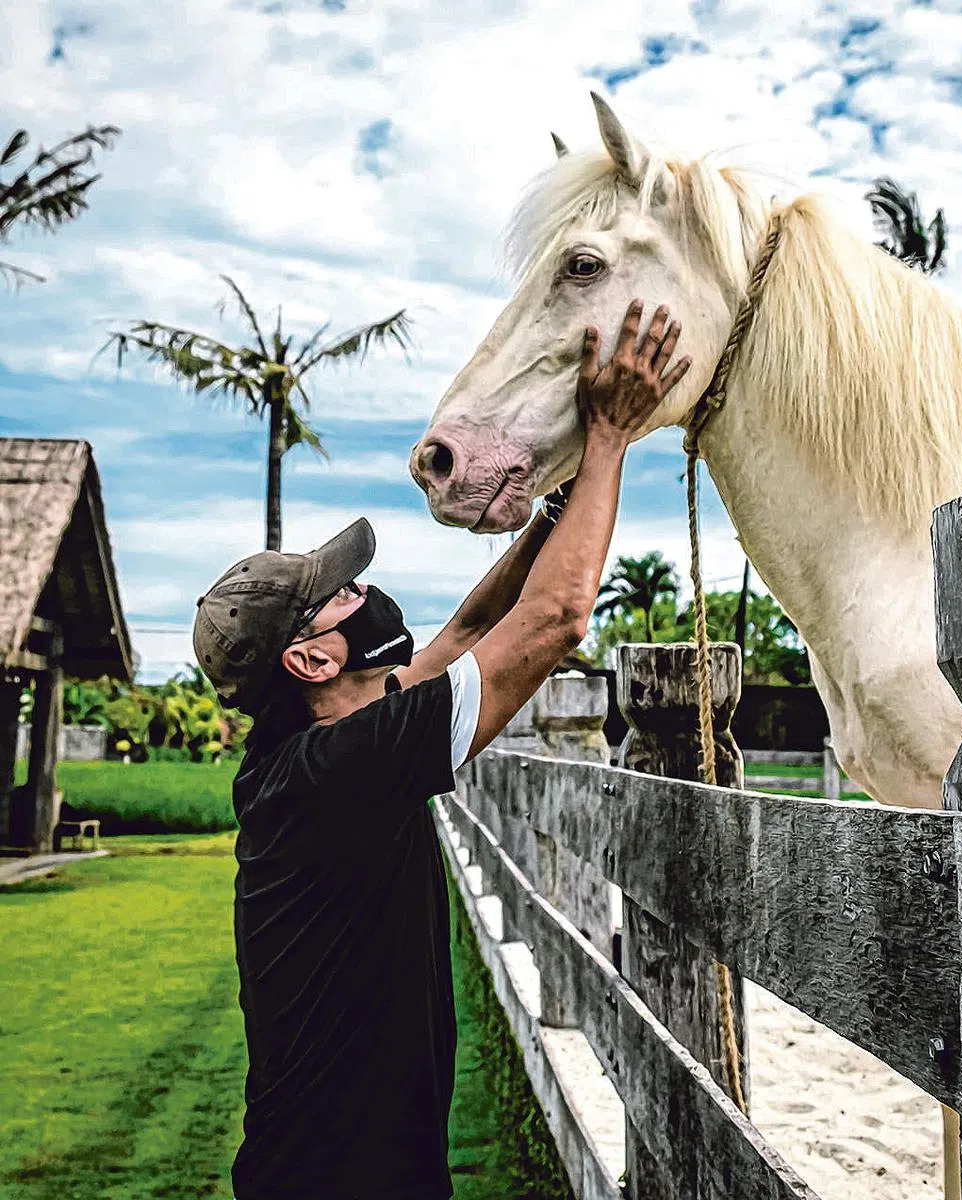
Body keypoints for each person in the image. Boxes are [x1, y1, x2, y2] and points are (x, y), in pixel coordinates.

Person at [191, 300, 690, 1200]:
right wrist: (611, 438)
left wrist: (554, 507)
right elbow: (553, 622)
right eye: (342, 595)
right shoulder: (336, 769)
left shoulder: (320, 747)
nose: (367, 590)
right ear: (308, 658)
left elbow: (471, 626)